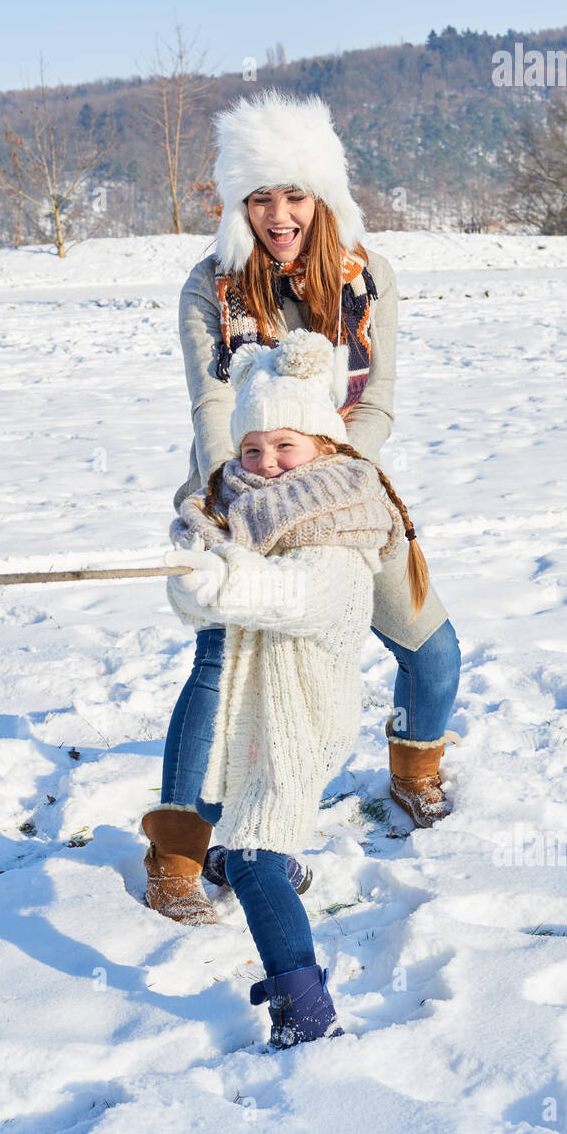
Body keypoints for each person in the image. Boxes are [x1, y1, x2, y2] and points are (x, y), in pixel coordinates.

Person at [141, 88, 461, 935]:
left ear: (322, 196)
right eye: (258, 197)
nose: (277, 214)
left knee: (431, 649)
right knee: (219, 667)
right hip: (241, 497)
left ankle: (413, 768)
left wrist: (337, 476)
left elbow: (378, 396)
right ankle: (177, 851)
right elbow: (212, 410)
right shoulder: (209, 289)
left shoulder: (368, 276)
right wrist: (237, 496)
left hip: (346, 498)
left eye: (293, 194)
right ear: (238, 205)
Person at [155, 327, 432, 1046]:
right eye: (251, 449)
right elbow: (205, 601)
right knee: (219, 807)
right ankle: (263, 861)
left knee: (250, 853)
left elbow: (300, 597)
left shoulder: (340, 523)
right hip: (245, 713)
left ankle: (304, 1009)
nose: (266, 463)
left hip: (296, 720)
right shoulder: (233, 514)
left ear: (324, 447)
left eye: (285, 446)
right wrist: (201, 578)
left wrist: (230, 578)